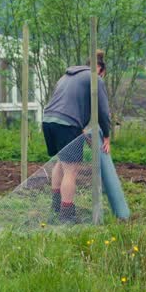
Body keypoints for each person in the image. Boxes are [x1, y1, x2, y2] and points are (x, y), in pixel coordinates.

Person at [41, 50, 112, 223]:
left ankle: (57, 206)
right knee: (71, 170)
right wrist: (107, 136)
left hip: (48, 121)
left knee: (61, 162)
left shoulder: (66, 77)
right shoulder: (95, 78)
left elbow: (66, 104)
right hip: (67, 124)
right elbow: (103, 111)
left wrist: (78, 129)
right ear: (100, 69)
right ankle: (67, 215)